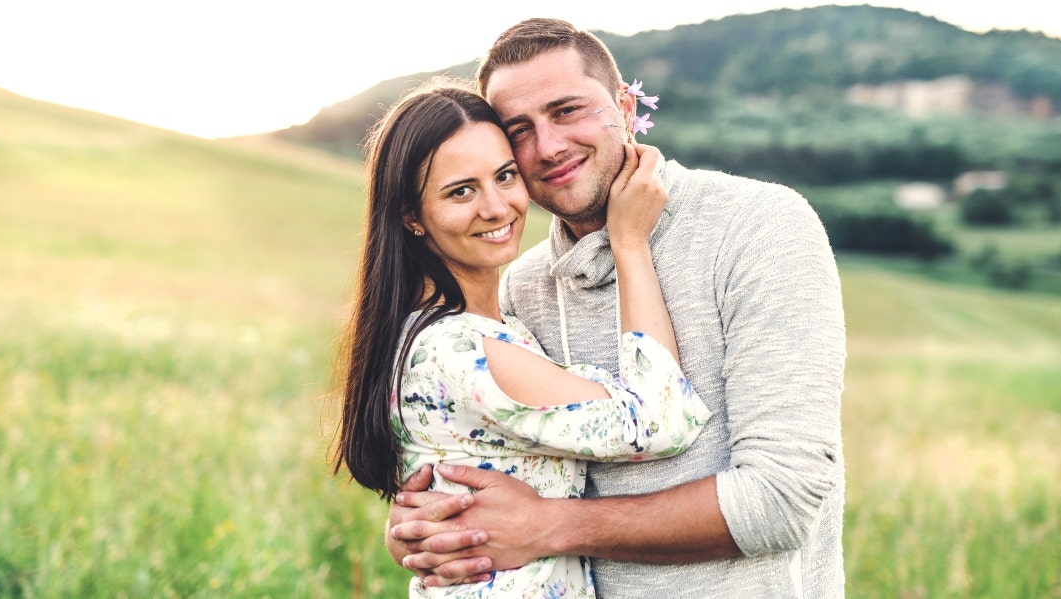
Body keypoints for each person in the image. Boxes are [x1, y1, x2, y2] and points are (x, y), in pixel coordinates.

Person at [385, 18, 847, 598]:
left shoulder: (758, 227)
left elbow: (780, 501)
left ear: (625, 106)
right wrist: (427, 526)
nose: (548, 147)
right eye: (519, 130)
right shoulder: (519, 287)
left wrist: (546, 528)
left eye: (568, 110)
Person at [332, 76, 714, 597]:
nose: (496, 208)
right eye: (460, 191)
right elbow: (659, 421)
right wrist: (629, 243)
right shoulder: (462, 351)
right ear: (409, 215)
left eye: (505, 176)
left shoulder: (458, 330)